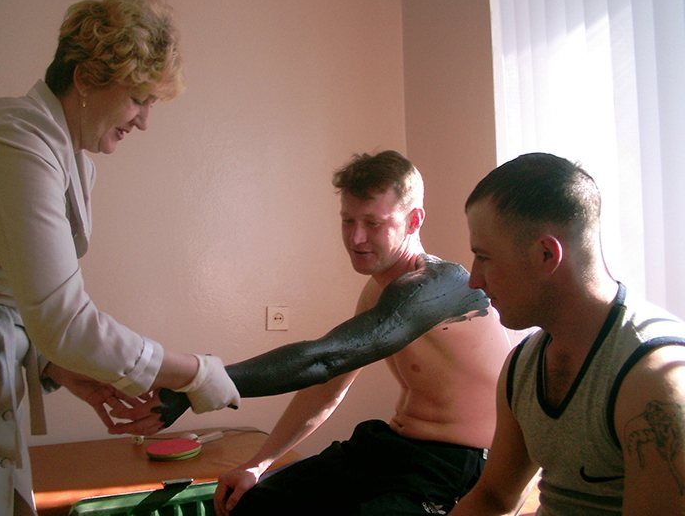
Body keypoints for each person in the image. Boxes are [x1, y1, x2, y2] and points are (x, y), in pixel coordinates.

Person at [0, 0, 240, 516]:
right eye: (138, 98)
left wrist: (57, 365)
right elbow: (65, 319)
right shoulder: (12, 144)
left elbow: (33, 304)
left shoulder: (67, 158)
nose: (144, 120)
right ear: (86, 78)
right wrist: (194, 372)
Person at [210, 150, 511, 516]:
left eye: (373, 223)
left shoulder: (441, 286)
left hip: (456, 465)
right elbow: (326, 387)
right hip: (393, 447)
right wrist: (257, 465)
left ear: (413, 220)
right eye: (348, 221)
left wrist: (201, 379)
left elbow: (324, 358)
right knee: (251, 503)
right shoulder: (377, 292)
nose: (356, 237)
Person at [451, 152, 685, 515]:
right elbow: (493, 497)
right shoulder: (523, 365)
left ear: (546, 254)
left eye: (484, 257)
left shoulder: (652, 379)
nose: (474, 280)